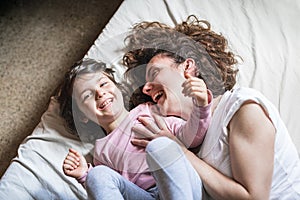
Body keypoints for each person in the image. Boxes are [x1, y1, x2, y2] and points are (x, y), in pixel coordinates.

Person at [123, 15, 300, 199]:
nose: (146, 88)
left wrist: (177, 150)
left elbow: (254, 197)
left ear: (187, 67)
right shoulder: (187, 139)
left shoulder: (241, 107)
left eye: (154, 72)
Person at [58, 58, 212, 199]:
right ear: (82, 117)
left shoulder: (149, 111)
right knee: (97, 175)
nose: (100, 93)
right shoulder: (101, 152)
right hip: (144, 196)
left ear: (118, 88)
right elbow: (110, 190)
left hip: (182, 187)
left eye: (103, 84)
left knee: (159, 146)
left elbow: (191, 137)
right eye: (87, 95)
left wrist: (201, 104)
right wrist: (85, 176)